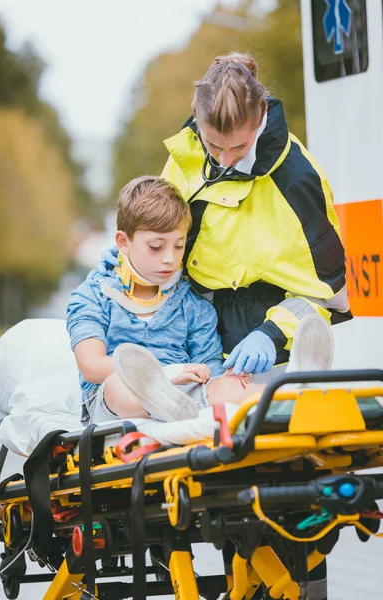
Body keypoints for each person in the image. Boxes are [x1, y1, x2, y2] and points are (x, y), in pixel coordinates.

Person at [102, 51, 344, 600]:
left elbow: (327, 289)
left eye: (239, 147)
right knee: (215, 474)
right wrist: (127, 292)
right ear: (197, 118)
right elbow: (151, 234)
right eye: (216, 146)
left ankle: (299, 586)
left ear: (261, 117)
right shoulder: (186, 159)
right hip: (199, 319)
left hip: (271, 321)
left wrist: (272, 332)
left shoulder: (298, 177)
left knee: (280, 470)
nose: (228, 159)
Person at [66, 175, 275, 426]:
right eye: (156, 247)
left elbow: (210, 374)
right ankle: (162, 404)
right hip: (114, 400)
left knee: (230, 387)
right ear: (123, 242)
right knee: (117, 385)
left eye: (178, 246)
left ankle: (297, 388)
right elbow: (91, 365)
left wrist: (228, 380)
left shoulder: (194, 306)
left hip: (183, 396)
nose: (169, 258)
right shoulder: (92, 296)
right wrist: (166, 374)